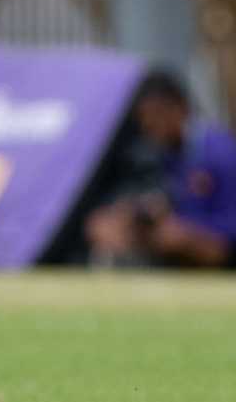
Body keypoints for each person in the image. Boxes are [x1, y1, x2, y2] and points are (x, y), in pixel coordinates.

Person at [85, 71, 236, 270]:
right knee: (106, 226)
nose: (149, 125)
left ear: (181, 109)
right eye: (143, 118)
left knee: (173, 237)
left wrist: (187, 232)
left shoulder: (221, 152)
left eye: (156, 115)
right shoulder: (161, 153)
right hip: (173, 239)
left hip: (220, 246)